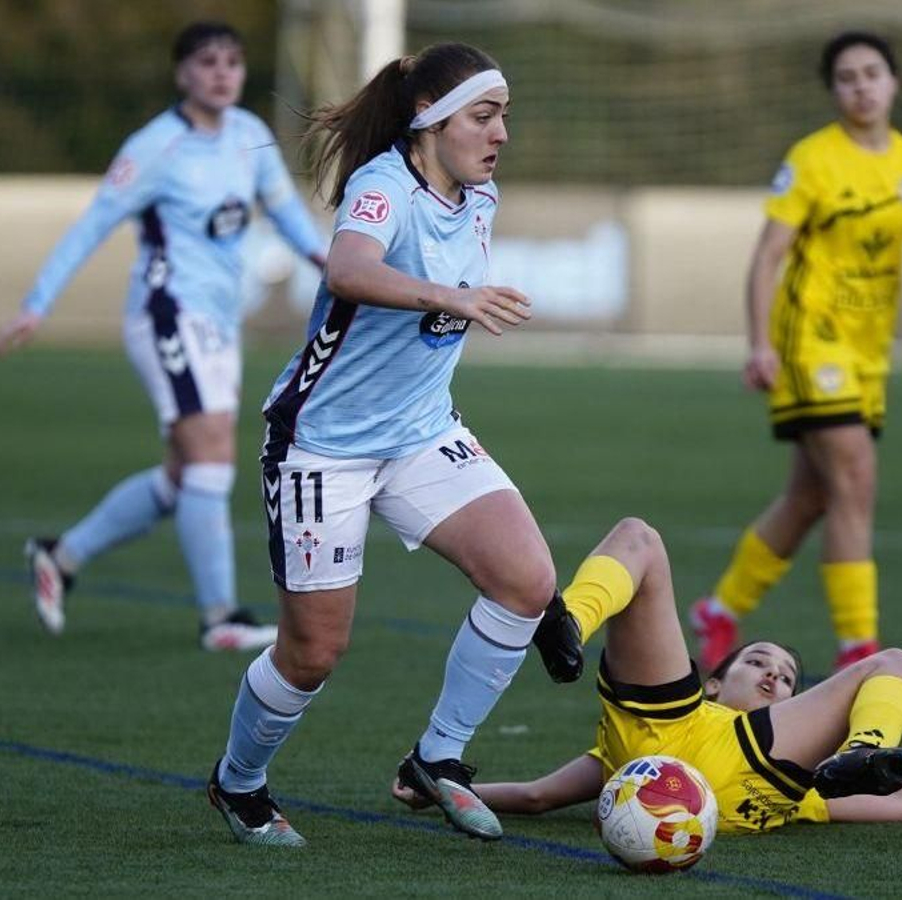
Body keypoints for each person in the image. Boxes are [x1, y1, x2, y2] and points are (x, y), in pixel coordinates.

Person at [203, 41, 583, 847]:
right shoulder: (383, 187)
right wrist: (455, 297)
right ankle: (238, 785)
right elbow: (347, 270)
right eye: (485, 115)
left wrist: (459, 302)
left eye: (503, 115)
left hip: (420, 433)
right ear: (428, 121)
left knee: (526, 579)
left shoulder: (480, 199)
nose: (501, 133)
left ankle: (434, 763)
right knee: (313, 653)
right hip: (322, 447)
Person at [0, 21, 327, 651]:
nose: (223, 72)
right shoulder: (156, 147)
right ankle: (219, 616)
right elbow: (94, 223)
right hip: (168, 314)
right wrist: (36, 304)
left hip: (218, 325)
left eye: (232, 61)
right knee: (211, 458)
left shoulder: (250, 136)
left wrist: (332, 266)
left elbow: (286, 214)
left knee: (184, 475)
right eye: (207, 62)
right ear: (182, 74)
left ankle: (60, 558)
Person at [691, 30, 902, 673]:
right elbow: (768, 256)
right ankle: (860, 650)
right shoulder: (813, 159)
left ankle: (720, 609)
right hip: (810, 342)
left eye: (872, 73)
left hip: (868, 352)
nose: (861, 86)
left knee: (812, 497)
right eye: (847, 77)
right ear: (833, 90)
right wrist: (760, 343)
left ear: (894, 82)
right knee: (856, 480)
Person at [393, 518, 902, 834]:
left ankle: (864, 747)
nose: (772, 675)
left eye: (787, 677)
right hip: (680, 728)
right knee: (638, 537)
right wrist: (443, 791)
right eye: (756, 661)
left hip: (758, 757)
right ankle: (568, 625)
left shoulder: (815, 785)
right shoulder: (642, 745)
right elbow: (537, 797)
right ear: (713, 682)